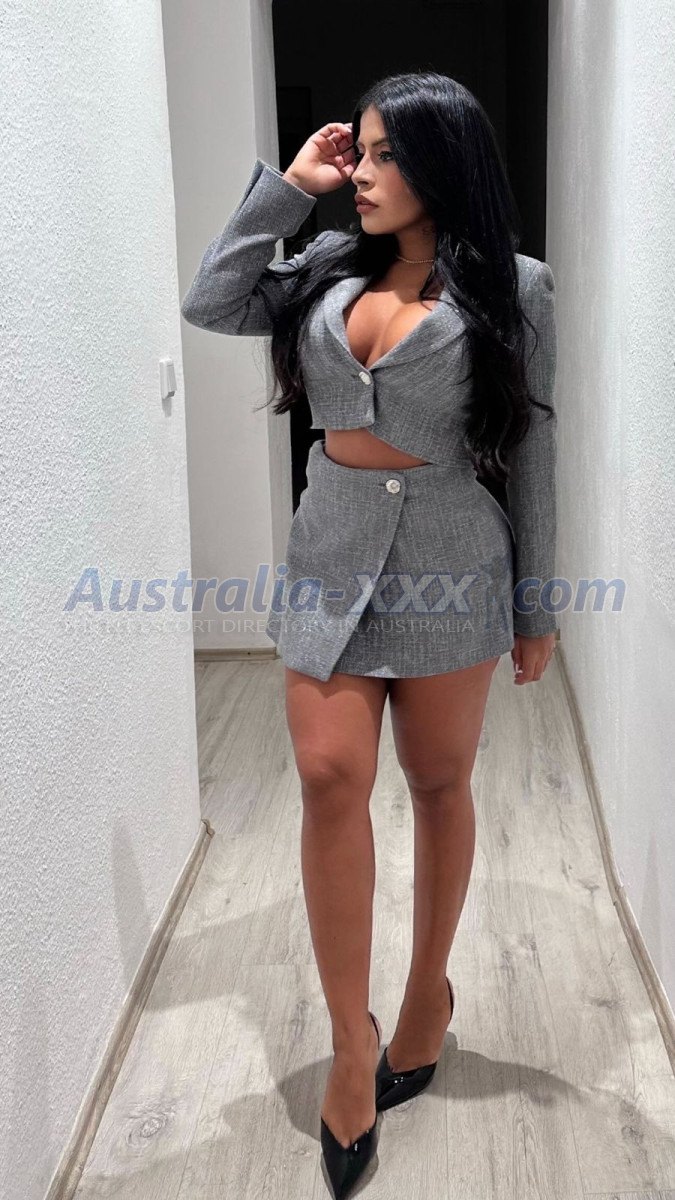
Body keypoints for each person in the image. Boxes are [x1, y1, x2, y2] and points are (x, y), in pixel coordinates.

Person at [181, 70, 558, 1200]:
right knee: (327, 778)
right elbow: (211, 300)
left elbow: (533, 450)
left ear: (446, 162)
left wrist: (536, 605)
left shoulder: (515, 287)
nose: (366, 173)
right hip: (330, 553)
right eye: (365, 151)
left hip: (452, 559)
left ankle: (426, 990)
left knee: (439, 783)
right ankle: (352, 1042)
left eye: (389, 155)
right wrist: (290, 191)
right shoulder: (321, 268)